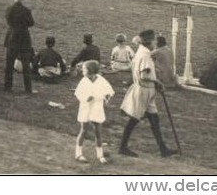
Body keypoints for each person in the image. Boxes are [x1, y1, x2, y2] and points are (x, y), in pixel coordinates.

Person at [119, 29, 178, 158]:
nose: (155, 44)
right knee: (134, 119)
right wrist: (158, 82)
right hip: (143, 90)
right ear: (148, 42)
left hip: (148, 89)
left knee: (154, 119)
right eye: (153, 41)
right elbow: (144, 75)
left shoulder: (142, 51)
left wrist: (155, 83)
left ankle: (163, 149)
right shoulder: (145, 54)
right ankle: (122, 147)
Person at [74, 60, 114, 164]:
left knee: (98, 132)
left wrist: (107, 97)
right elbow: (78, 94)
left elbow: (108, 91)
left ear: (90, 71)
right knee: (84, 130)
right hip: (86, 107)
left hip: (97, 107)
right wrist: (86, 98)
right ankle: (78, 153)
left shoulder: (101, 80)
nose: (82, 71)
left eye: (84, 69)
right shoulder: (83, 81)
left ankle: (100, 155)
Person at [3, 0, 35, 93]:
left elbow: (8, 21)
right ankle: (28, 88)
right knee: (26, 64)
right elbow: (31, 23)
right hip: (23, 38)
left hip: (12, 36)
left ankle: (8, 86)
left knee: (9, 63)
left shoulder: (9, 9)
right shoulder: (26, 11)